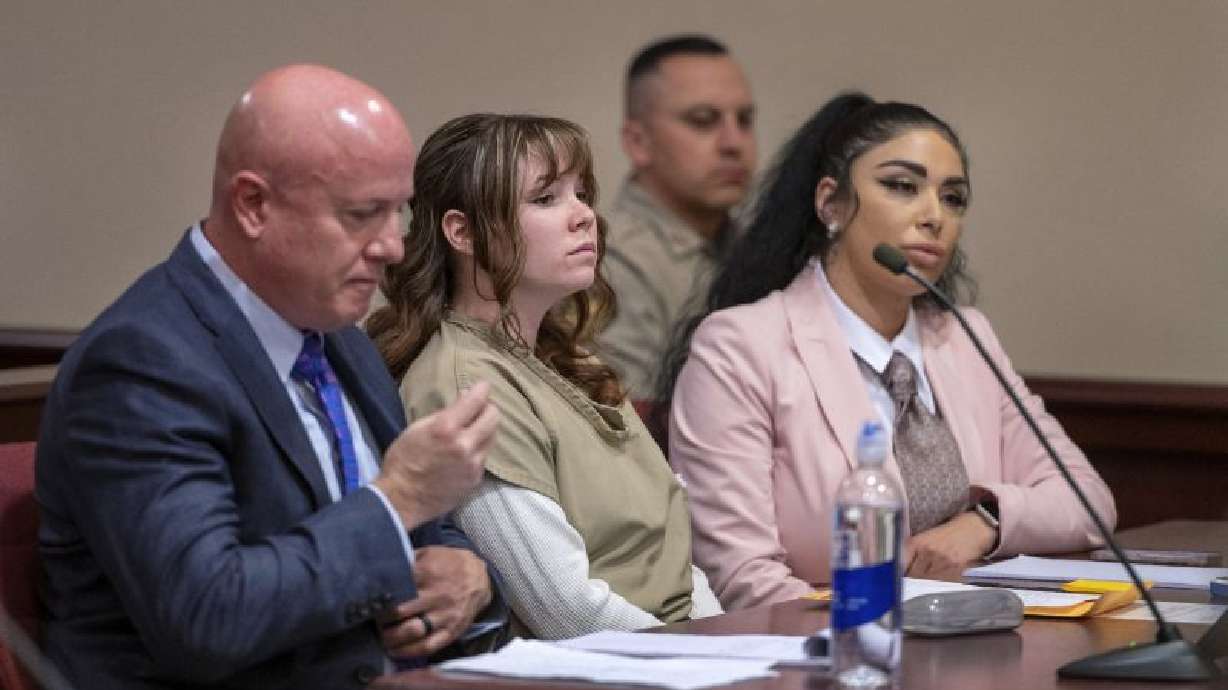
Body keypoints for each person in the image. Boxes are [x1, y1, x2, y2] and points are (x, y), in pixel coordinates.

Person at [35, 65, 505, 689]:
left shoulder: (337, 335)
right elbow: (209, 616)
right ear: (253, 205)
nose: (393, 245)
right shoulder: (140, 362)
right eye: (363, 214)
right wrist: (400, 500)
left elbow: (419, 527)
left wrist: (468, 575)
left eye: (399, 211)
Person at [664, 93, 1117, 610]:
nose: (934, 216)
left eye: (954, 198)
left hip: (976, 643)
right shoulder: (742, 346)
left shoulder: (966, 337)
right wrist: (881, 639)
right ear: (830, 202)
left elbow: (1088, 501)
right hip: (824, 657)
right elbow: (741, 575)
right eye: (902, 187)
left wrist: (985, 523)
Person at [367, 113, 722, 640]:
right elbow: (565, 612)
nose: (584, 217)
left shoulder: (573, 362)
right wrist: (710, 660)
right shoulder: (464, 384)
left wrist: (727, 642)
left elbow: (672, 563)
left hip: (680, 653)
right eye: (546, 199)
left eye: (582, 193)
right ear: (462, 232)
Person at [599, 34, 757, 398]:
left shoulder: (753, 244)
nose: (734, 142)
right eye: (703, 120)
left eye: (745, 120)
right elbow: (621, 429)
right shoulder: (608, 262)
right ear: (639, 142)